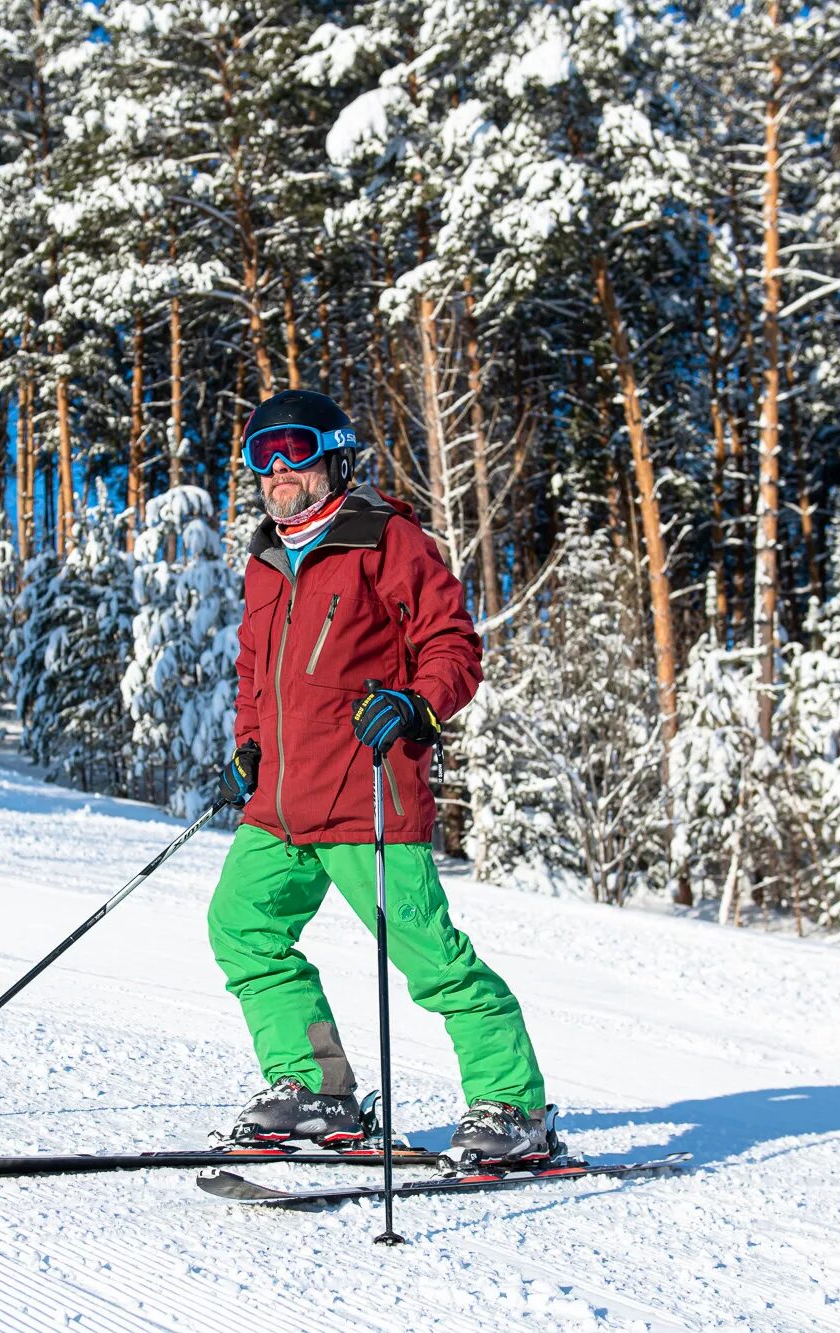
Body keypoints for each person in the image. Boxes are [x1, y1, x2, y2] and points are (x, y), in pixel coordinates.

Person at [206, 388, 551, 1164]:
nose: (277, 470)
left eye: (293, 449)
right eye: (262, 455)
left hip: (368, 795)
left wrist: (415, 704)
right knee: (242, 927)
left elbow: (453, 647)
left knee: (431, 957)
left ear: (333, 454)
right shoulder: (265, 560)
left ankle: (514, 1103)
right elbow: (255, 675)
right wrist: (248, 746)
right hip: (280, 806)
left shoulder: (387, 539)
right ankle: (314, 1087)